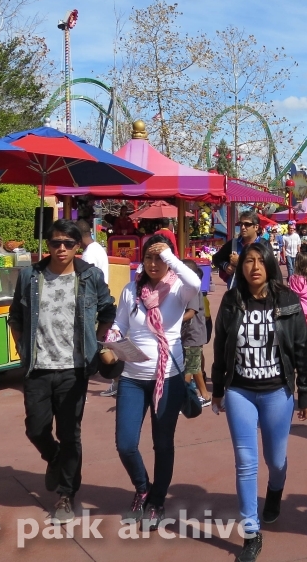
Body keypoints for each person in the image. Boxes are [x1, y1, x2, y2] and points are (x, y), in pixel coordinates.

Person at [7, 219, 115, 523]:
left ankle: (67, 494)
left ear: (77, 245)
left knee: (70, 433)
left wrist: (99, 342)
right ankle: (53, 457)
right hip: (38, 367)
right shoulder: (30, 276)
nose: (62, 249)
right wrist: (22, 349)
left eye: (68, 243)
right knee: (36, 428)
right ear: (48, 245)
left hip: (74, 369)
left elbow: (108, 309)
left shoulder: (90, 277)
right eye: (56, 243)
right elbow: (15, 316)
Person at [211, 243, 307, 562]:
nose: (253, 267)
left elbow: (299, 347)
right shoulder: (231, 300)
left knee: (276, 460)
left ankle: (276, 490)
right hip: (240, 390)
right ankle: (251, 533)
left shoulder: (288, 301)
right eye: (248, 262)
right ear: (241, 268)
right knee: (245, 461)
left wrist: (304, 392)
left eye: (260, 261)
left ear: (270, 265)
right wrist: (217, 387)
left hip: (277, 391)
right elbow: (221, 345)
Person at [108, 236, 200, 530]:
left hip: (168, 380)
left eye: (159, 258)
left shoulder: (178, 290)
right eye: (148, 257)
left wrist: (169, 256)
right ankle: (142, 486)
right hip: (132, 379)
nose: (153, 263)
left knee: (162, 444)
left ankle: (157, 500)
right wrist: (111, 343)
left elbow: (196, 283)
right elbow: (120, 324)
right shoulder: (131, 290)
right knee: (125, 444)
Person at [78, 219, 118, 398]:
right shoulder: (98, 248)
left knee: (99, 345)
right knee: (102, 344)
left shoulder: (87, 256)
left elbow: (87, 284)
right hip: (101, 300)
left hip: (92, 304)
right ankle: (118, 379)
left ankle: (118, 378)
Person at [212, 210, 270, 289]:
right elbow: (216, 258)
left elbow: (269, 267)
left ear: (256, 227)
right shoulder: (233, 243)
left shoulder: (264, 245)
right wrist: (226, 266)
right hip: (236, 293)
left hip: (257, 292)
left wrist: (239, 261)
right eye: (241, 224)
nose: (243, 227)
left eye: (247, 224)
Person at [181, 259, 211, 409]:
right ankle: (204, 395)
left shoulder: (192, 289)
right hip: (191, 334)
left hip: (193, 334)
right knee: (194, 367)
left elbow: (191, 313)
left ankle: (184, 398)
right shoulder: (187, 288)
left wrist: (174, 319)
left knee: (190, 368)